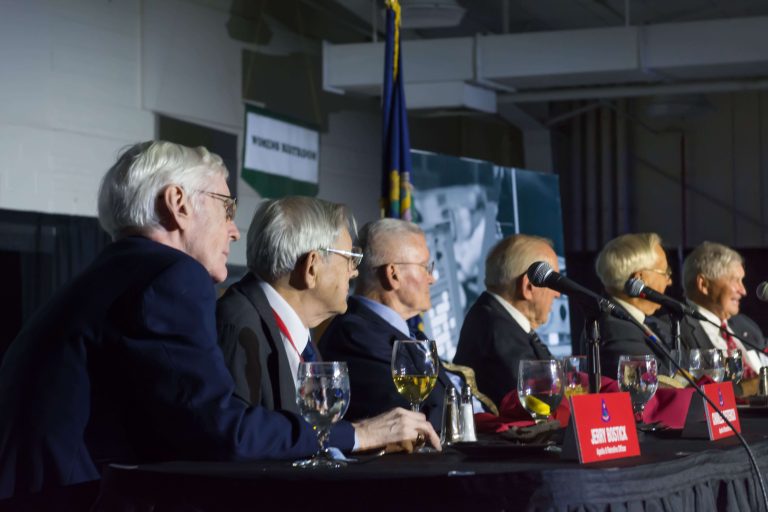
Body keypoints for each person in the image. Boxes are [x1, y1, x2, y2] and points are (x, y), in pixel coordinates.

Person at [0, 141, 438, 501]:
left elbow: (179, 425)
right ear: (177, 204)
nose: (234, 230)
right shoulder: (170, 275)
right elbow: (222, 431)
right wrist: (357, 433)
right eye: (227, 207)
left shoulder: (112, 274)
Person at [319, 219, 491, 430]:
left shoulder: (405, 332)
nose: (432, 278)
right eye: (425, 267)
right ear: (393, 275)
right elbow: (418, 414)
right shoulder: (354, 337)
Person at [216, 196, 361, 413]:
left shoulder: (301, 337)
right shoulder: (239, 326)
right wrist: (361, 431)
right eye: (350, 259)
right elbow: (241, 430)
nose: (354, 271)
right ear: (312, 267)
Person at [453, 234, 560, 405]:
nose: (557, 293)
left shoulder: (493, 315)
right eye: (553, 283)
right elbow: (541, 400)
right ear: (528, 287)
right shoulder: (497, 330)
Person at [681, 241, 768, 375]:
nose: (743, 291)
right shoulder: (677, 332)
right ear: (703, 285)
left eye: (741, 281)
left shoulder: (745, 325)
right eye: (735, 280)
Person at [593, 232, 673, 376]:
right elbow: (661, 381)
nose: (669, 281)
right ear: (640, 278)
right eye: (664, 273)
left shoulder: (651, 323)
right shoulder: (616, 330)